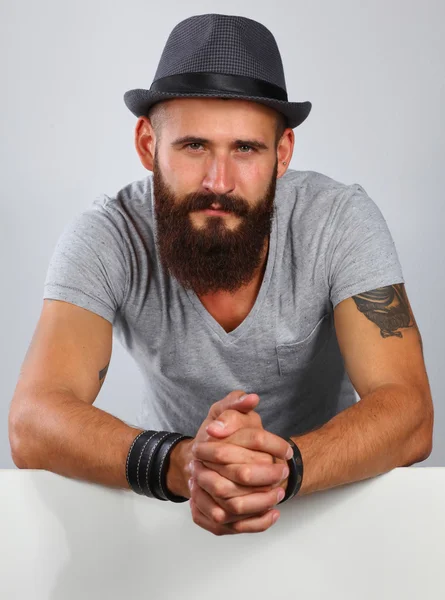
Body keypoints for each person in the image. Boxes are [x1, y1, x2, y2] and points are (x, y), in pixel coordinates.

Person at [9, 13, 433, 537]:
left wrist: (277, 471)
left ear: (282, 154)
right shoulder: (107, 235)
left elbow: (409, 411)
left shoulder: (339, 220)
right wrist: (182, 465)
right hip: (172, 517)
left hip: (328, 510)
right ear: (147, 144)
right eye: (193, 146)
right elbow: (32, 421)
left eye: (246, 149)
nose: (219, 181)